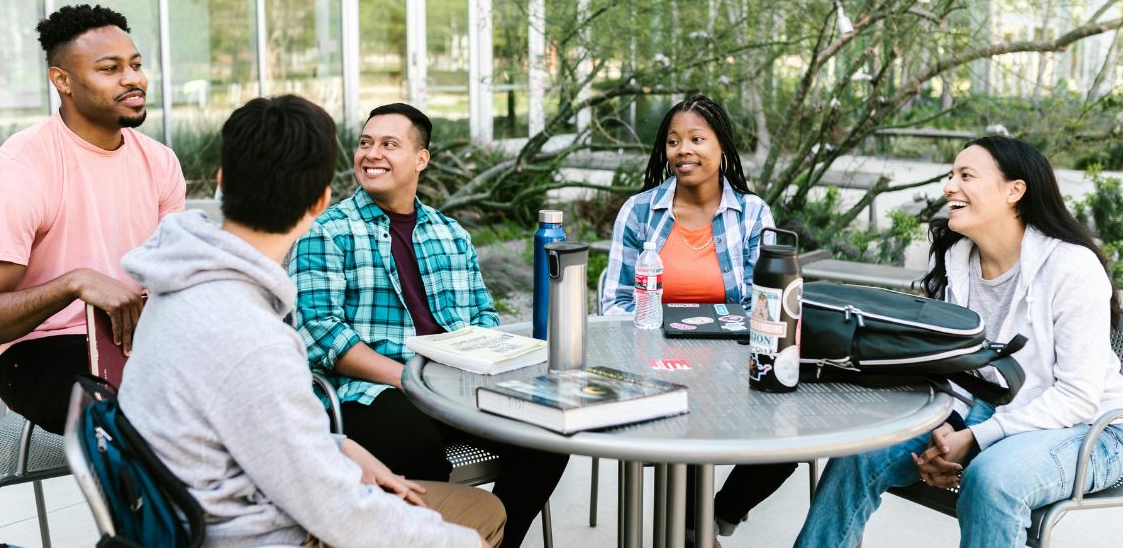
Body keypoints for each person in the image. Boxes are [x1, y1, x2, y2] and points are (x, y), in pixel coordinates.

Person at [119, 95, 503, 548]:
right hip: (254, 533)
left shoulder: (177, 285)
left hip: (192, 508)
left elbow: (271, 437)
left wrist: (340, 448)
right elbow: (335, 508)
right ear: (322, 201)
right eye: (366, 143)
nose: (373, 153)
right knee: (482, 514)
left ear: (221, 182)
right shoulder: (254, 336)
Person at [795, 137, 1123, 548]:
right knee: (861, 451)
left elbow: (1078, 394)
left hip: (1094, 429)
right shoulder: (959, 261)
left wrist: (978, 438)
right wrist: (950, 433)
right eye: (951, 175)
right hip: (994, 412)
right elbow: (962, 374)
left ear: (1014, 191)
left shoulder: (1071, 267)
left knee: (992, 479)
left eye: (966, 175)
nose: (950, 186)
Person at [292, 103, 568, 548]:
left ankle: (496, 541)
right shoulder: (327, 232)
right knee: (417, 450)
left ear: (421, 159)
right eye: (365, 143)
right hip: (370, 391)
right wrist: (407, 378)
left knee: (547, 434)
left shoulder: (450, 233)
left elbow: (484, 318)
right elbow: (321, 334)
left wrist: (479, 359)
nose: (371, 153)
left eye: (389, 144)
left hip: (455, 385)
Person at [0, 4, 184, 433]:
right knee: (145, 416)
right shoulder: (23, 169)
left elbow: (171, 274)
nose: (133, 79)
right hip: (40, 350)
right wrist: (72, 284)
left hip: (140, 340)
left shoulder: (160, 162)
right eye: (109, 69)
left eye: (135, 65)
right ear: (63, 81)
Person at [601, 94, 795, 542]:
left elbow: (763, 307)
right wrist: (666, 341)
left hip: (733, 365)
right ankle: (696, 535)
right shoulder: (639, 212)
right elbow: (615, 302)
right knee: (686, 424)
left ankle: (716, 516)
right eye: (672, 141)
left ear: (722, 146)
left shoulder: (752, 215)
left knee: (787, 439)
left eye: (695, 139)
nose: (682, 150)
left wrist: (713, 347)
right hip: (655, 365)